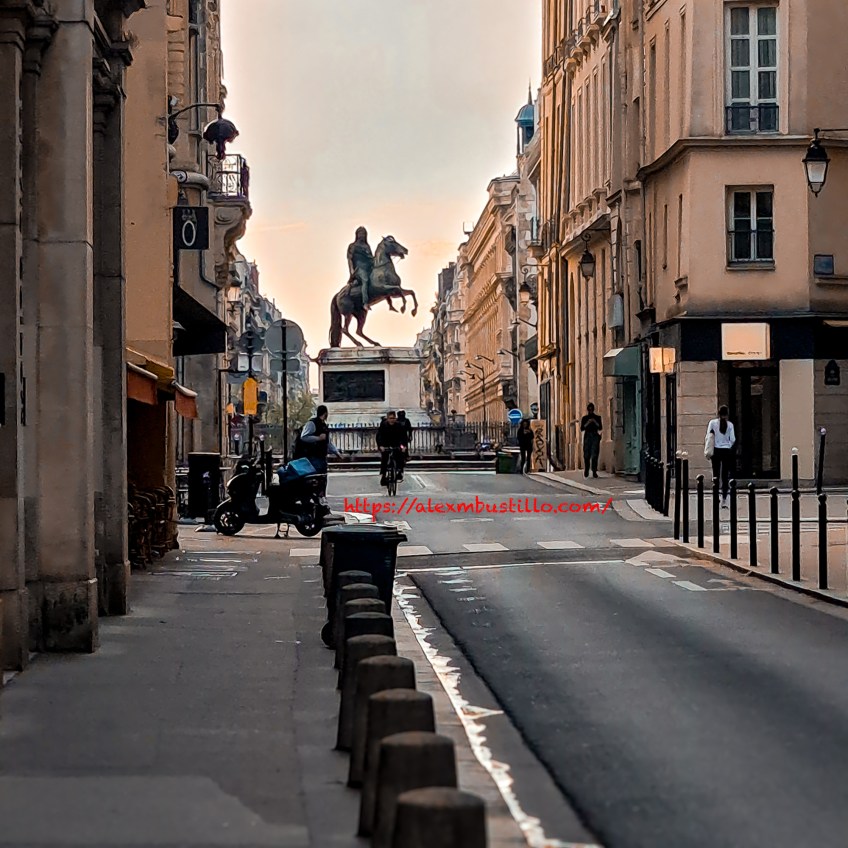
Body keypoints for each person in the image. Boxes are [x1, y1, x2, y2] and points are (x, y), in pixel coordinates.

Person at [292, 405, 341, 500]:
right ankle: (315, 498)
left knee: (322, 479)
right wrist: (318, 438)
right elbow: (304, 436)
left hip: (321, 456)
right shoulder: (312, 423)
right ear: (325, 413)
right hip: (313, 457)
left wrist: (336, 452)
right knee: (316, 479)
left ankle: (321, 498)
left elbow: (327, 442)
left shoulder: (323, 425)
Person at [705, 405, 736, 509]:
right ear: (727, 414)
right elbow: (733, 439)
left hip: (716, 450)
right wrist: (728, 445)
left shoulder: (712, 423)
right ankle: (724, 499)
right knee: (725, 475)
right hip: (726, 451)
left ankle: (716, 495)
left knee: (716, 474)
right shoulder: (730, 425)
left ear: (718, 413)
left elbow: (709, 436)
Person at [376, 410, 408, 485]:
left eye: (393, 418)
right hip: (385, 443)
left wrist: (403, 446)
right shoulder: (383, 425)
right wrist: (381, 445)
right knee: (384, 458)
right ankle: (383, 475)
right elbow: (379, 436)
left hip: (397, 443)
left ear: (395, 418)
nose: (392, 420)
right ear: (387, 419)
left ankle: (400, 471)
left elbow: (404, 437)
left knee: (401, 455)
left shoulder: (399, 425)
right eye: (390, 418)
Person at [347, 226, 374, 308]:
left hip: (368, 266)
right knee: (365, 280)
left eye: (364, 234)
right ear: (357, 235)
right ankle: (365, 303)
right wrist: (352, 270)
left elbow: (371, 257)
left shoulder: (367, 246)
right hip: (359, 268)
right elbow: (349, 259)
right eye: (361, 233)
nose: (362, 235)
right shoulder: (352, 246)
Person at [580, 403, 603, 478]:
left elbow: (600, 427)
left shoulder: (597, 417)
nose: (590, 411)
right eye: (589, 409)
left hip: (595, 436)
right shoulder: (585, 418)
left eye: (591, 409)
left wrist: (594, 422)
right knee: (586, 454)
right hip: (587, 436)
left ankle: (594, 471)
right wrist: (588, 423)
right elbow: (582, 428)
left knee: (594, 454)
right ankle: (586, 469)